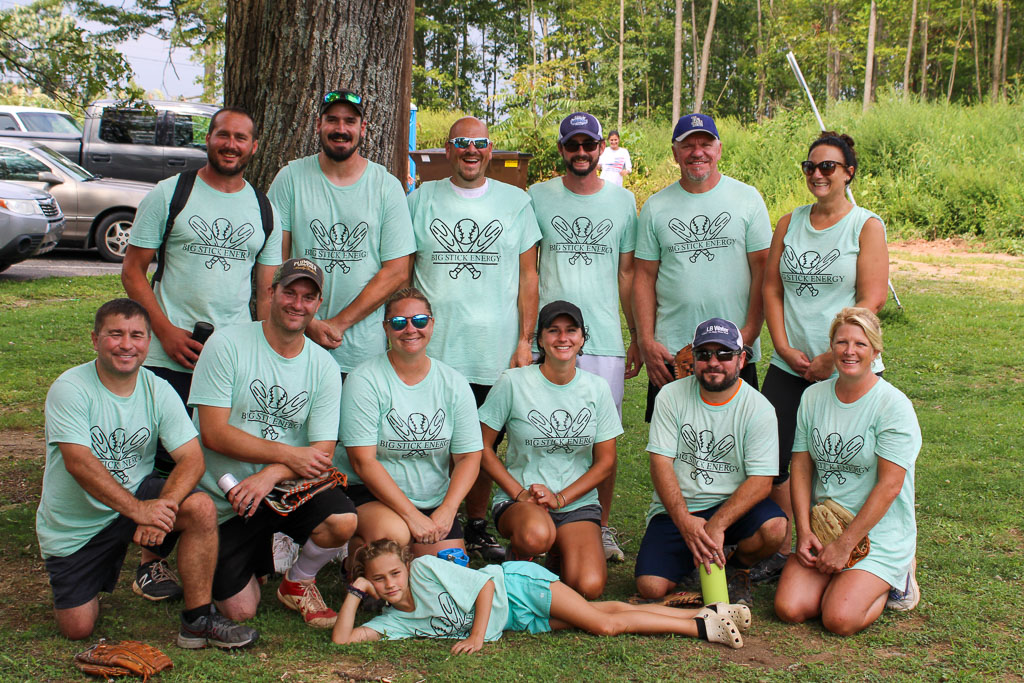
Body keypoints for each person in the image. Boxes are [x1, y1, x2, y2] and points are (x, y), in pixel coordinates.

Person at [121, 106, 282, 600]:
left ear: (254, 147)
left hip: (229, 360)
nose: (231, 144)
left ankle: (227, 548)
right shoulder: (172, 193)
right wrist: (164, 331)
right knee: (167, 456)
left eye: (241, 138)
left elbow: (267, 290)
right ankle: (151, 561)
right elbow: (133, 271)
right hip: (172, 354)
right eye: (222, 135)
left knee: (219, 452)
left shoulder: (263, 206)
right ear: (208, 139)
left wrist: (263, 350)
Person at [36, 298, 257, 648]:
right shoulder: (70, 389)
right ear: (95, 339)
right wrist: (139, 511)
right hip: (76, 525)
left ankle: (198, 620)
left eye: (136, 335)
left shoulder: (157, 388)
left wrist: (162, 507)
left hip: (135, 496)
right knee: (77, 628)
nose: (127, 344)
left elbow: (192, 458)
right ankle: (92, 573)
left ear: (148, 342)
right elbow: (78, 463)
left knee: (200, 507)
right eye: (115, 334)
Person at [190, 258, 356, 629]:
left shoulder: (323, 365)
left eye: (308, 297)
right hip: (227, 498)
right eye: (290, 293)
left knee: (342, 520)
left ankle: (298, 582)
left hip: (283, 490)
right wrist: (285, 454)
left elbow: (323, 450)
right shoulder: (228, 344)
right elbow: (213, 432)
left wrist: (272, 474)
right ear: (270, 292)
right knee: (241, 610)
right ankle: (236, 558)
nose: (298, 304)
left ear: (318, 305)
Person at [408, 115, 541, 562]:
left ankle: (478, 524)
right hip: (435, 348)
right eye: (461, 142)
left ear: (490, 150)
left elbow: (528, 276)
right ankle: (438, 519)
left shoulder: (516, 201)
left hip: (493, 348)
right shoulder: (422, 198)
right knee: (438, 440)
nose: (470, 150)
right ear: (448, 149)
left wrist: (526, 339)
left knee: (482, 445)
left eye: (479, 143)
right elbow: (403, 269)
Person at [760, 131, 889, 583]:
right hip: (789, 364)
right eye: (810, 167)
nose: (817, 174)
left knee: (844, 459)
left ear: (848, 173)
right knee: (775, 459)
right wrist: (780, 344)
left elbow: (871, 299)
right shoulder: (788, 222)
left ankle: (860, 545)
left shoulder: (865, 226)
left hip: (845, 367)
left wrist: (830, 359)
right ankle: (784, 546)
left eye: (828, 167)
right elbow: (772, 287)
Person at [528, 112, 640, 563]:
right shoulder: (537, 196)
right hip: (549, 335)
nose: (580, 153)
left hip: (603, 338)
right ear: (561, 149)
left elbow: (628, 272)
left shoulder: (622, 202)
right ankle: (536, 518)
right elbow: (527, 271)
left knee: (601, 439)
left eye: (588, 145)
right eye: (572, 145)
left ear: (600, 149)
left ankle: (601, 525)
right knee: (540, 430)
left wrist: (634, 334)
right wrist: (525, 334)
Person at [774, 308, 920, 635]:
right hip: (827, 525)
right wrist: (805, 530)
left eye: (860, 344)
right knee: (790, 608)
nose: (849, 351)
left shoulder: (893, 406)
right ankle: (844, 581)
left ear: (876, 352)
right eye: (841, 342)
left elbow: (890, 487)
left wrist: (845, 547)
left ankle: (899, 577)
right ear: (832, 347)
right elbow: (800, 464)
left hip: (876, 533)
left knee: (838, 619)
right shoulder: (813, 397)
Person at [331, 539, 750, 650]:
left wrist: (476, 638)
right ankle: (715, 609)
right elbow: (344, 640)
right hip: (515, 619)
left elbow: (486, 586)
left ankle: (700, 627)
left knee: (604, 626)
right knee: (596, 611)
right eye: (379, 581)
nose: (390, 583)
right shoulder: (394, 621)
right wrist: (355, 590)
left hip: (516, 586)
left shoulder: (423, 570)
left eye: (393, 572)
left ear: (405, 566)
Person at [635, 318, 787, 606]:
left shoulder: (759, 408)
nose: (713, 362)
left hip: (732, 509)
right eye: (704, 354)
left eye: (724, 354)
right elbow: (661, 464)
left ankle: (736, 566)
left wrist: (715, 526)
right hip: (682, 507)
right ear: (693, 359)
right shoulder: (670, 397)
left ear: (741, 359)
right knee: (650, 587)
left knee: (775, 529)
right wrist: (684, 521)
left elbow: (761, 481)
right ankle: (697, 563)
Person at [634, 113, 771, 425]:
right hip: (672, 350)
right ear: (674, 153)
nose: (697, 152)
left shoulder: (747, 199)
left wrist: (747, 335)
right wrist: (646, 341)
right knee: (672, 446)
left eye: (705, 144)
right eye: (687, 145)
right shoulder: (656, 207)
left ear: (719, 149)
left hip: (732, 349)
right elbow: (643, 277)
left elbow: (763, 271)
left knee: (735, 442)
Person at [478, 301, 621, 599]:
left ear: (583, 338)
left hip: (576, 503)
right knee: (535, 535)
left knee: (589, 586)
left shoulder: (597, 388)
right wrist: (519, 493)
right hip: (522, 501)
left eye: (571, 330)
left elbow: (606, 462)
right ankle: (520, 556)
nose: (563, 338)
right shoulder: (513, 382)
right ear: (539, 339)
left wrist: (561, 498)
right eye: (553, 331)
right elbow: (481, 447)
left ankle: (559, 551)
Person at [268, 89, 415, 374]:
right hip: (294, 342)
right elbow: (274, 262)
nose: (341, 129)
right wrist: (308, 322)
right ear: (319, 125)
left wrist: (338, 324)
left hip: (361, 354)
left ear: (363, 128)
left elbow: (397, 271)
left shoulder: (385, 186)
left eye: (350, 121)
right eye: (332, 120)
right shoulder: (291, 178)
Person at [339, 287, 483, 560]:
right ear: (385, 328)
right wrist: (411, 516)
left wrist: (448, 509)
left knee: (447, 575)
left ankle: (406, 552)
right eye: (398, 322)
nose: (410, 329)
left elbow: (468, 457)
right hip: (371, 495)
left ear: (431, 323)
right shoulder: (364, 380)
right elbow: (362, 462)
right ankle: (355, 554)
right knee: (396, 538)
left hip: (432, 500)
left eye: (419, 321)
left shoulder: (454, 383)